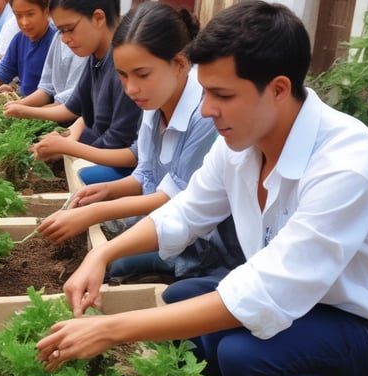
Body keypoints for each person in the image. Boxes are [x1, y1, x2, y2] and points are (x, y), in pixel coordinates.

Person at [36, 1, 368, 376]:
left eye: (222, 95)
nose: (208, 109)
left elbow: (269, 288)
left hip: (356, 324)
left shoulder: (347, 166)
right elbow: (185, 213)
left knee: (241, 356)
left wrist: (114, 329)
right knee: (181, 302)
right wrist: (99, 256)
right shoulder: (242, 141)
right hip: (298, 300)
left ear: (277, 89)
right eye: (205, 91)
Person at [37, 2, 243, 283]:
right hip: (170, 222)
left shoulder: (207, 117)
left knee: (122, 265)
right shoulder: (154, 100)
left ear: (180, 64)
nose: (131, 88)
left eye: (142, 74)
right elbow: (145, 172)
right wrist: (108, 191)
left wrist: (95, 213)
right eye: (122, 76)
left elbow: (179, 199)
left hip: (203, 241)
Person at [29, 0, 141, 185]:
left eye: (69, 29)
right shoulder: (96, 57)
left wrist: (70, 147)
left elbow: (120, 142)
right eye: (61, 31)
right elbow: (79, 111)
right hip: (106, 149)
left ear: (98, 18)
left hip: (122, 161)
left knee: (83, 174)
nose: (64, 39)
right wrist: (68, 139)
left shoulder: (123, 67)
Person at [1, 30, 85, 124]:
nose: (64, 39)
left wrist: (27, 112)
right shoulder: (58, 36)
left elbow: (74, 106)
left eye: (31, 14)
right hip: (55, 113)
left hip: (64, 117)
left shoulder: (87, 49)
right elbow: (47, 87)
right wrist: (19, 105)